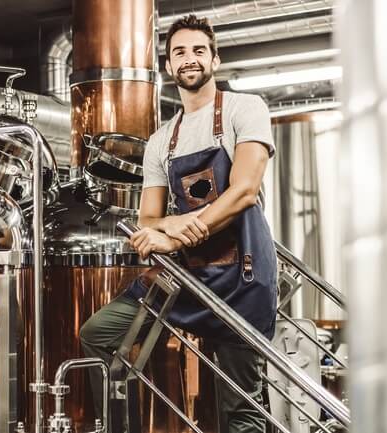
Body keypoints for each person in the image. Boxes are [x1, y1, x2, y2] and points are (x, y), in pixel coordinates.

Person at [79, 14, 278, 433]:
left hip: (241, 279)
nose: (189, 59)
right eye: (179, 53)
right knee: (99, 333)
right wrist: (176, 226)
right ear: (169, 66)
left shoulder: (246, 108)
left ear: (215, 60)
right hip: (186, 276)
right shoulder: (161, 140)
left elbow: (243, 190)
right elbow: (147, 219)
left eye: (198, 51)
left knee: (241, 409)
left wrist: (181, 233)